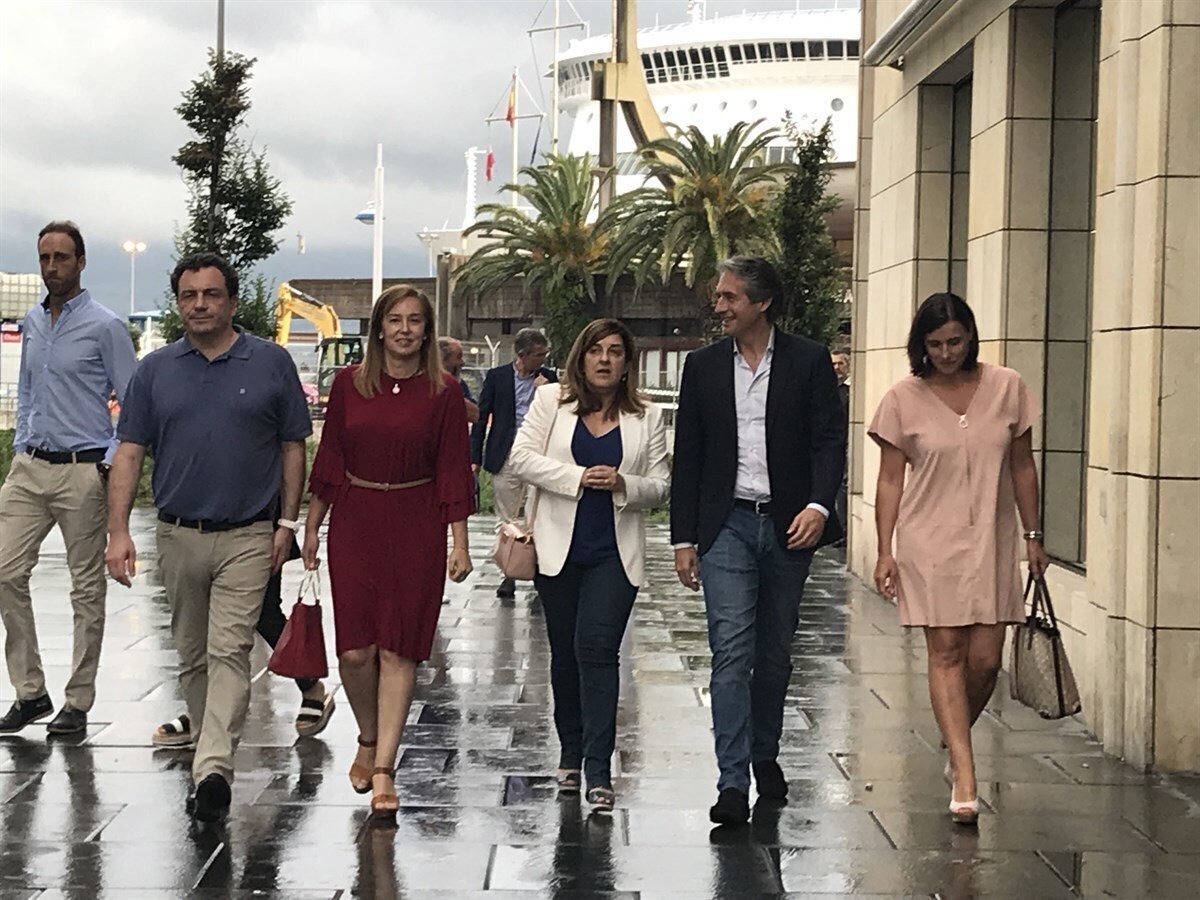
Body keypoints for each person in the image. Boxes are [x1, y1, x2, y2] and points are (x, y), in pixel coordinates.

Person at [105, 252, 312, 823]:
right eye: (189, 295)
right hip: (178, 534)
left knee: (229, 650)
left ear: (232, 301)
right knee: (193, 656)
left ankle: (214, 768)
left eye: (211, 294)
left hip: (249, 534)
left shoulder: (270, 363)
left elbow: (293, 446)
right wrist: (118, 530)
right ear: (178, 303)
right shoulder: (155, 370)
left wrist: (287, 524)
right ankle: (207, 755)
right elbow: (129, 452)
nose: (199, 304)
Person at [671, 256, 844, 826]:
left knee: (773, 653)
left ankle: (764, 751)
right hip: (727, 525)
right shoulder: (702, 367)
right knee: (731, 649)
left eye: (729, 297)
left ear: (762, 302)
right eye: (718, 296)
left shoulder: (808, 360)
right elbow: (689, 454)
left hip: (790, 525)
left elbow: (828, 441)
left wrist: (819, 505)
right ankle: (731, 780)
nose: (718, 305)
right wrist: (683, 537)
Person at [868, 292, 1047, 826]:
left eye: (955, 342)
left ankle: (955, 737)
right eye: (935, 344)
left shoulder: (1008, 387)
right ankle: (965, 774)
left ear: (971, 337)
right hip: (929, 539)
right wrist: (884, 550)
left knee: (986, 659)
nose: (946, 353)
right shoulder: (903, 399)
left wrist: (1034, 535)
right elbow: (890, 480)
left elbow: (1022, 466)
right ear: (920, 345)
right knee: (946, 648)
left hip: (992, 536)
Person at [302, 285, 475, 825]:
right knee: (355, 652)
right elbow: (331, 457)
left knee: (400, 648)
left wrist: (460, 542)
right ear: (379, 328)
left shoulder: (445, 393)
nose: (404, 329)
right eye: (395, 320)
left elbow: (453, 467)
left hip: (417, 521)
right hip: (356, 519)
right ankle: (369, 735)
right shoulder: (349, 384)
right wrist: (311, 527)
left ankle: (384, 769)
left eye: (414, 320)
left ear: (426, 330)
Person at [506, 319, 669, 813]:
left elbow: (661, 485)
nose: (604, 359)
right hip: (557, 551)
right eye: (596, 350)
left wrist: (623, 483)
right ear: (581, 357)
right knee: (565, 654)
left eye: (615, 351)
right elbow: (520, 458)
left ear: (627, 363)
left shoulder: (648, 415)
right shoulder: (550, 401)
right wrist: (576, 477)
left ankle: (599, 768)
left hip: (614, 555)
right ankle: (570, 753)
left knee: (598, 649)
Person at [0, 221, 137, 736]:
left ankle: (78, 701)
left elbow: (134, 404)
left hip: (84, 469)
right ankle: (30, 691)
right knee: (4, 571)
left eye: (61, 257)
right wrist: (20, 447)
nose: (52, 267)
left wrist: (108, 460)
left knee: (86, 589)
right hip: (31, 467)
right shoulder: (33, 321)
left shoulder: (106, 327)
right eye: (45, 257)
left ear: (81, 262)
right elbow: (27, 387)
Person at [150, 524, 335, 748]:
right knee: (200, 614)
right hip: (199, 526)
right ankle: (204, 709)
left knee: (265, 613)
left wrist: (287, 525)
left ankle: (310, 684)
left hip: (257, 525)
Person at [471, 328, 557, 598]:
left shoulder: (550, 380)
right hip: (505, 453)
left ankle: (541, 573)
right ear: (521, 355)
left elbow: (562, 415)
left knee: (539, 514)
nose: (542, 360)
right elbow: (481, 417)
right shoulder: (497, 377)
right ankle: (508, 572)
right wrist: (474, 458)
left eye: (545, 355)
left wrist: (547, 392)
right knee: (507, 516)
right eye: (538, 355)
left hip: (539, 454)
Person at [831, 349, 851, 543]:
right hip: (834, 445)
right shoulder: (830, 388)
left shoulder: (850, 390)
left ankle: (844, 530)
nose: (837, 368)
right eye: (833, 364)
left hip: (848, 444)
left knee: (844, 485)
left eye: (840, 364)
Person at [438, 336, 480, 425]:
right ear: (442, 359)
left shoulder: (459, 385)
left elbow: (475, 415)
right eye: (459, 357)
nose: (462, 362)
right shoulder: (422, 384)